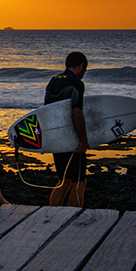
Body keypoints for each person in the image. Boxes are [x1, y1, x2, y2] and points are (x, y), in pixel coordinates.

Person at [44, 52, 89, 207]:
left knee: (64, 181)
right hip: (71, 139)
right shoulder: (76, 83)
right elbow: (76, 112)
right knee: (79, 182)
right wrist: (83, 140)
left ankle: (51, 214)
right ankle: (74, 216)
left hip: (56, 136)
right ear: (81, 67)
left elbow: (47, 111)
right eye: (85, 70)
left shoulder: (53, 81)